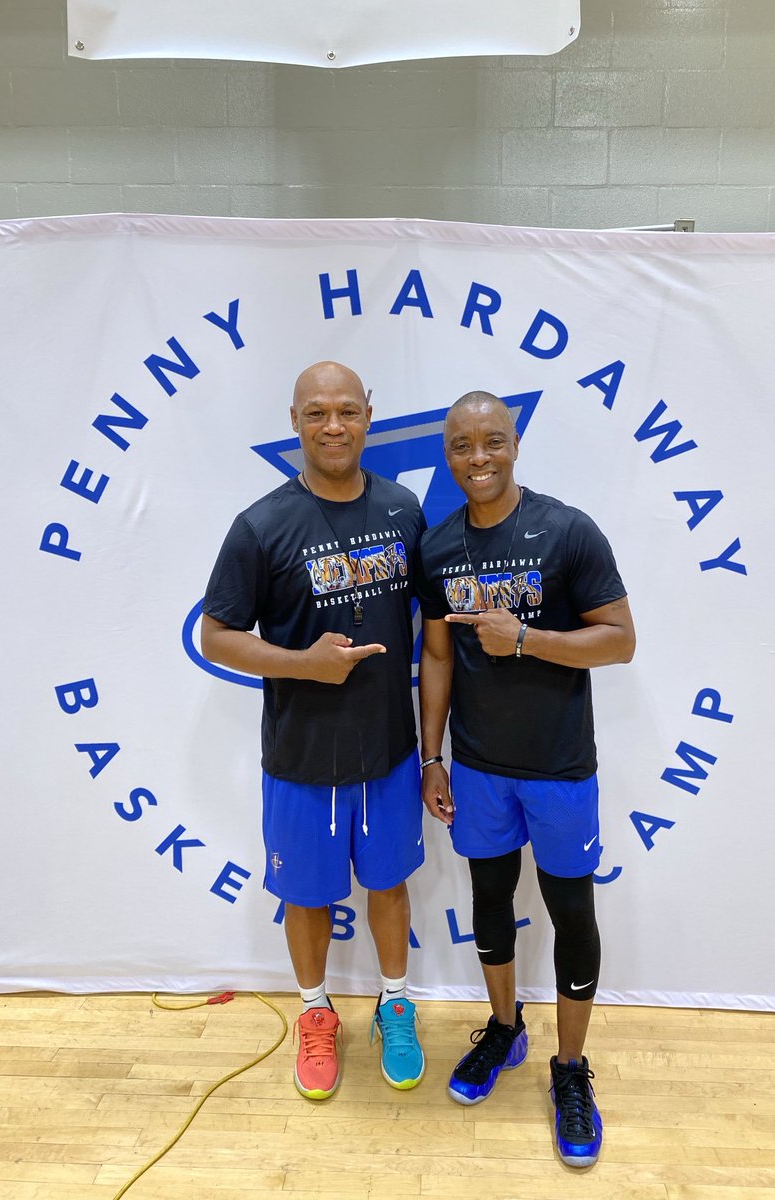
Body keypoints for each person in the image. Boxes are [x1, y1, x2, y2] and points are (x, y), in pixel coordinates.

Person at [415, 390, 635, 1167]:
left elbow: (619, 641)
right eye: (462, 445)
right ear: (447, 453)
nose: (478, 458)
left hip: (559, 767)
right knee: (489, 900)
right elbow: (436, 655)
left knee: (572, 912)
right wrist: (432, 756)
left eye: (492, 442)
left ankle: (570, 1068)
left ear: (514, 445)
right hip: (479, 768)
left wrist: (525, 639)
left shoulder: (568, 530)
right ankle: (505, 1030)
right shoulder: (438, 547)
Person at [200, 361, 427, 1101]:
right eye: (318, 413)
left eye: (348, 411)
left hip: (388, 748)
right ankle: (316, 1013)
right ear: (294, 420)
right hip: (300, 754)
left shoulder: (403, 509)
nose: (334, 426)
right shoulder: (261, 525)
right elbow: (215, 636)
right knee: (305, 895)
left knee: (388, 885)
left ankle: (396, 1006)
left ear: (369, 416)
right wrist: (303, 664)